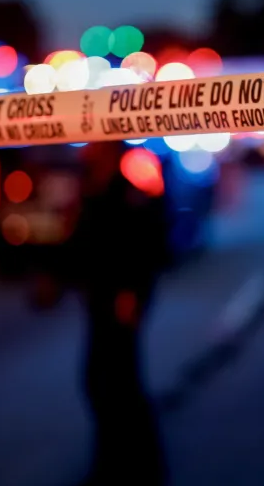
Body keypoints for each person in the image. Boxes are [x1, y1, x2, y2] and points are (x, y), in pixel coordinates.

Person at [73, 141, 170, 485]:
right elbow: (84, 242)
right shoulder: (91, 187)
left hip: (120, 301)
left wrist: (133, 292)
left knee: (119, 385)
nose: (84, 149)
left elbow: (145, 243)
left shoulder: (129, 189)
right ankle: (114, 464)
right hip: (100, 298)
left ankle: (139, 468)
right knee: (102, 382)